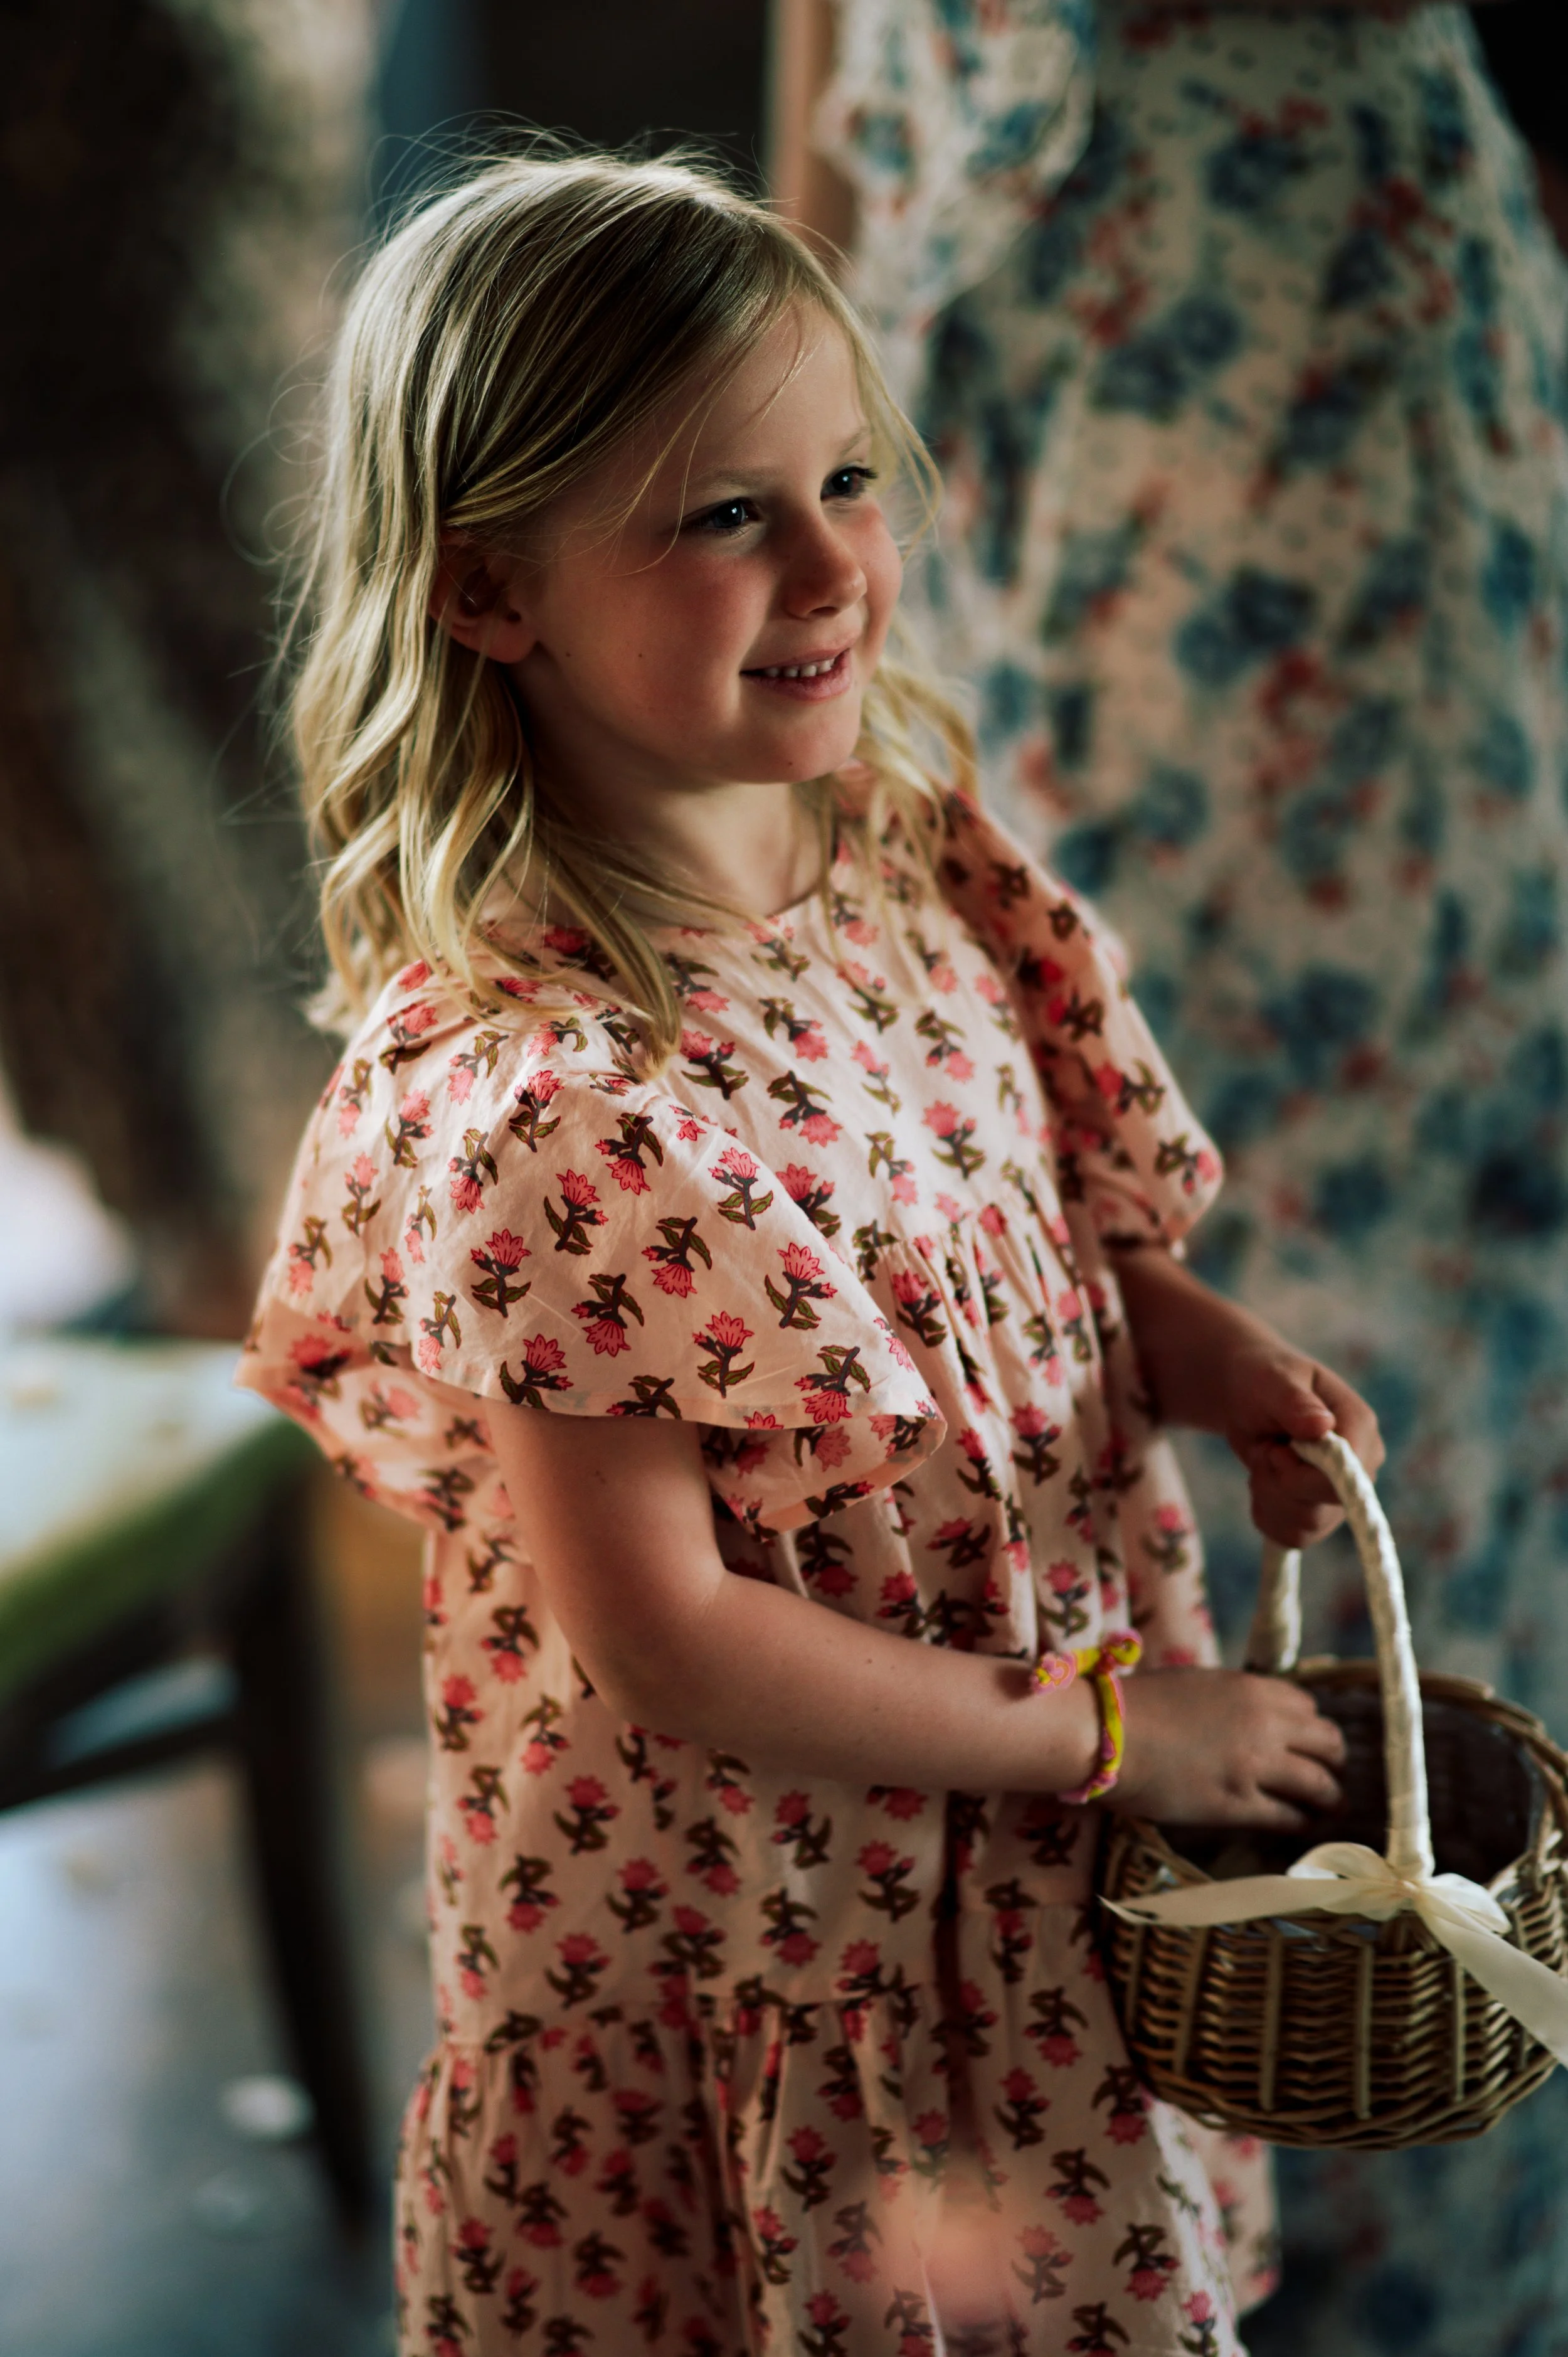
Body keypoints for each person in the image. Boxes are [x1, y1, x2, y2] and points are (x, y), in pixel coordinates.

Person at [239, 153, 1384, 2356]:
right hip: (793, 1939)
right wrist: (1115, 1737)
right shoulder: (548, 1107)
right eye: (721, 515)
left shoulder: (895, 865)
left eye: (844, 474)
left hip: (1016, 1875)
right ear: (491, 593)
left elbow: (1017, 1222)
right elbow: (667, 1637)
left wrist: (1178, 1332)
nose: (838, 559)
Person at [779, 2, 1568, 2344]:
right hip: (936, 384)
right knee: (979, 1232)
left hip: (1317, 371)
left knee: (1379, 1317)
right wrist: (780, 350)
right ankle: (1095, 2223)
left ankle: (1401, 2218)